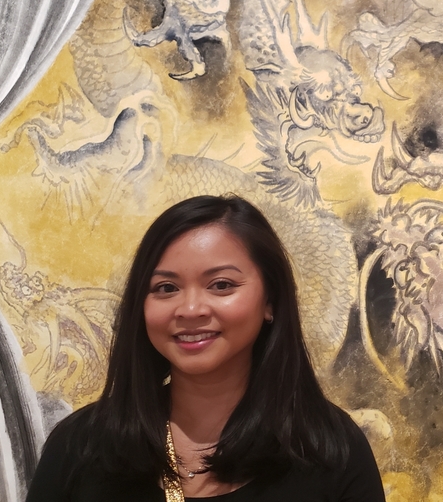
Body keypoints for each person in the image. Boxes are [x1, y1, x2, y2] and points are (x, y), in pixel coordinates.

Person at [26, 195, 386, 501]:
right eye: (166, 288)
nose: (190, 309)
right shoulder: (81, 447)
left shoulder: (330, 450)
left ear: (270, 300)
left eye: (221, 285)